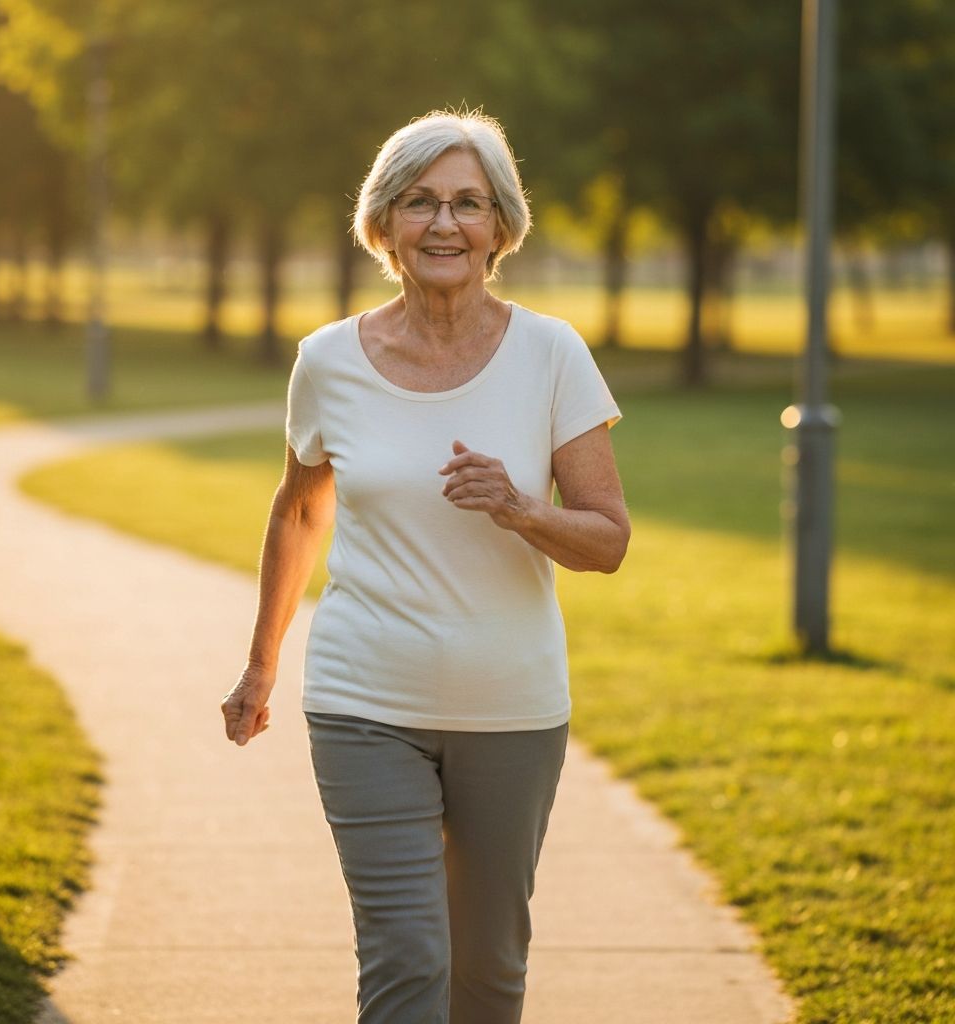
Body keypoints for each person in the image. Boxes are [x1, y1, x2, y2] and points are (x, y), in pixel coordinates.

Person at [220, 108, 631, 1024]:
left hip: (512, 707)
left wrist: (521, 508)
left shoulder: (552, 353)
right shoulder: (326, 361)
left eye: (467, 204)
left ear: (499, 229)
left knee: (488, 972)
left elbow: (608, 539)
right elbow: (298, 510)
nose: (444, 224)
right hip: (365, 701)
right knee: (407, 959)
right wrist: (262, 664)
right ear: (384, 228)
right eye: (419, 203)